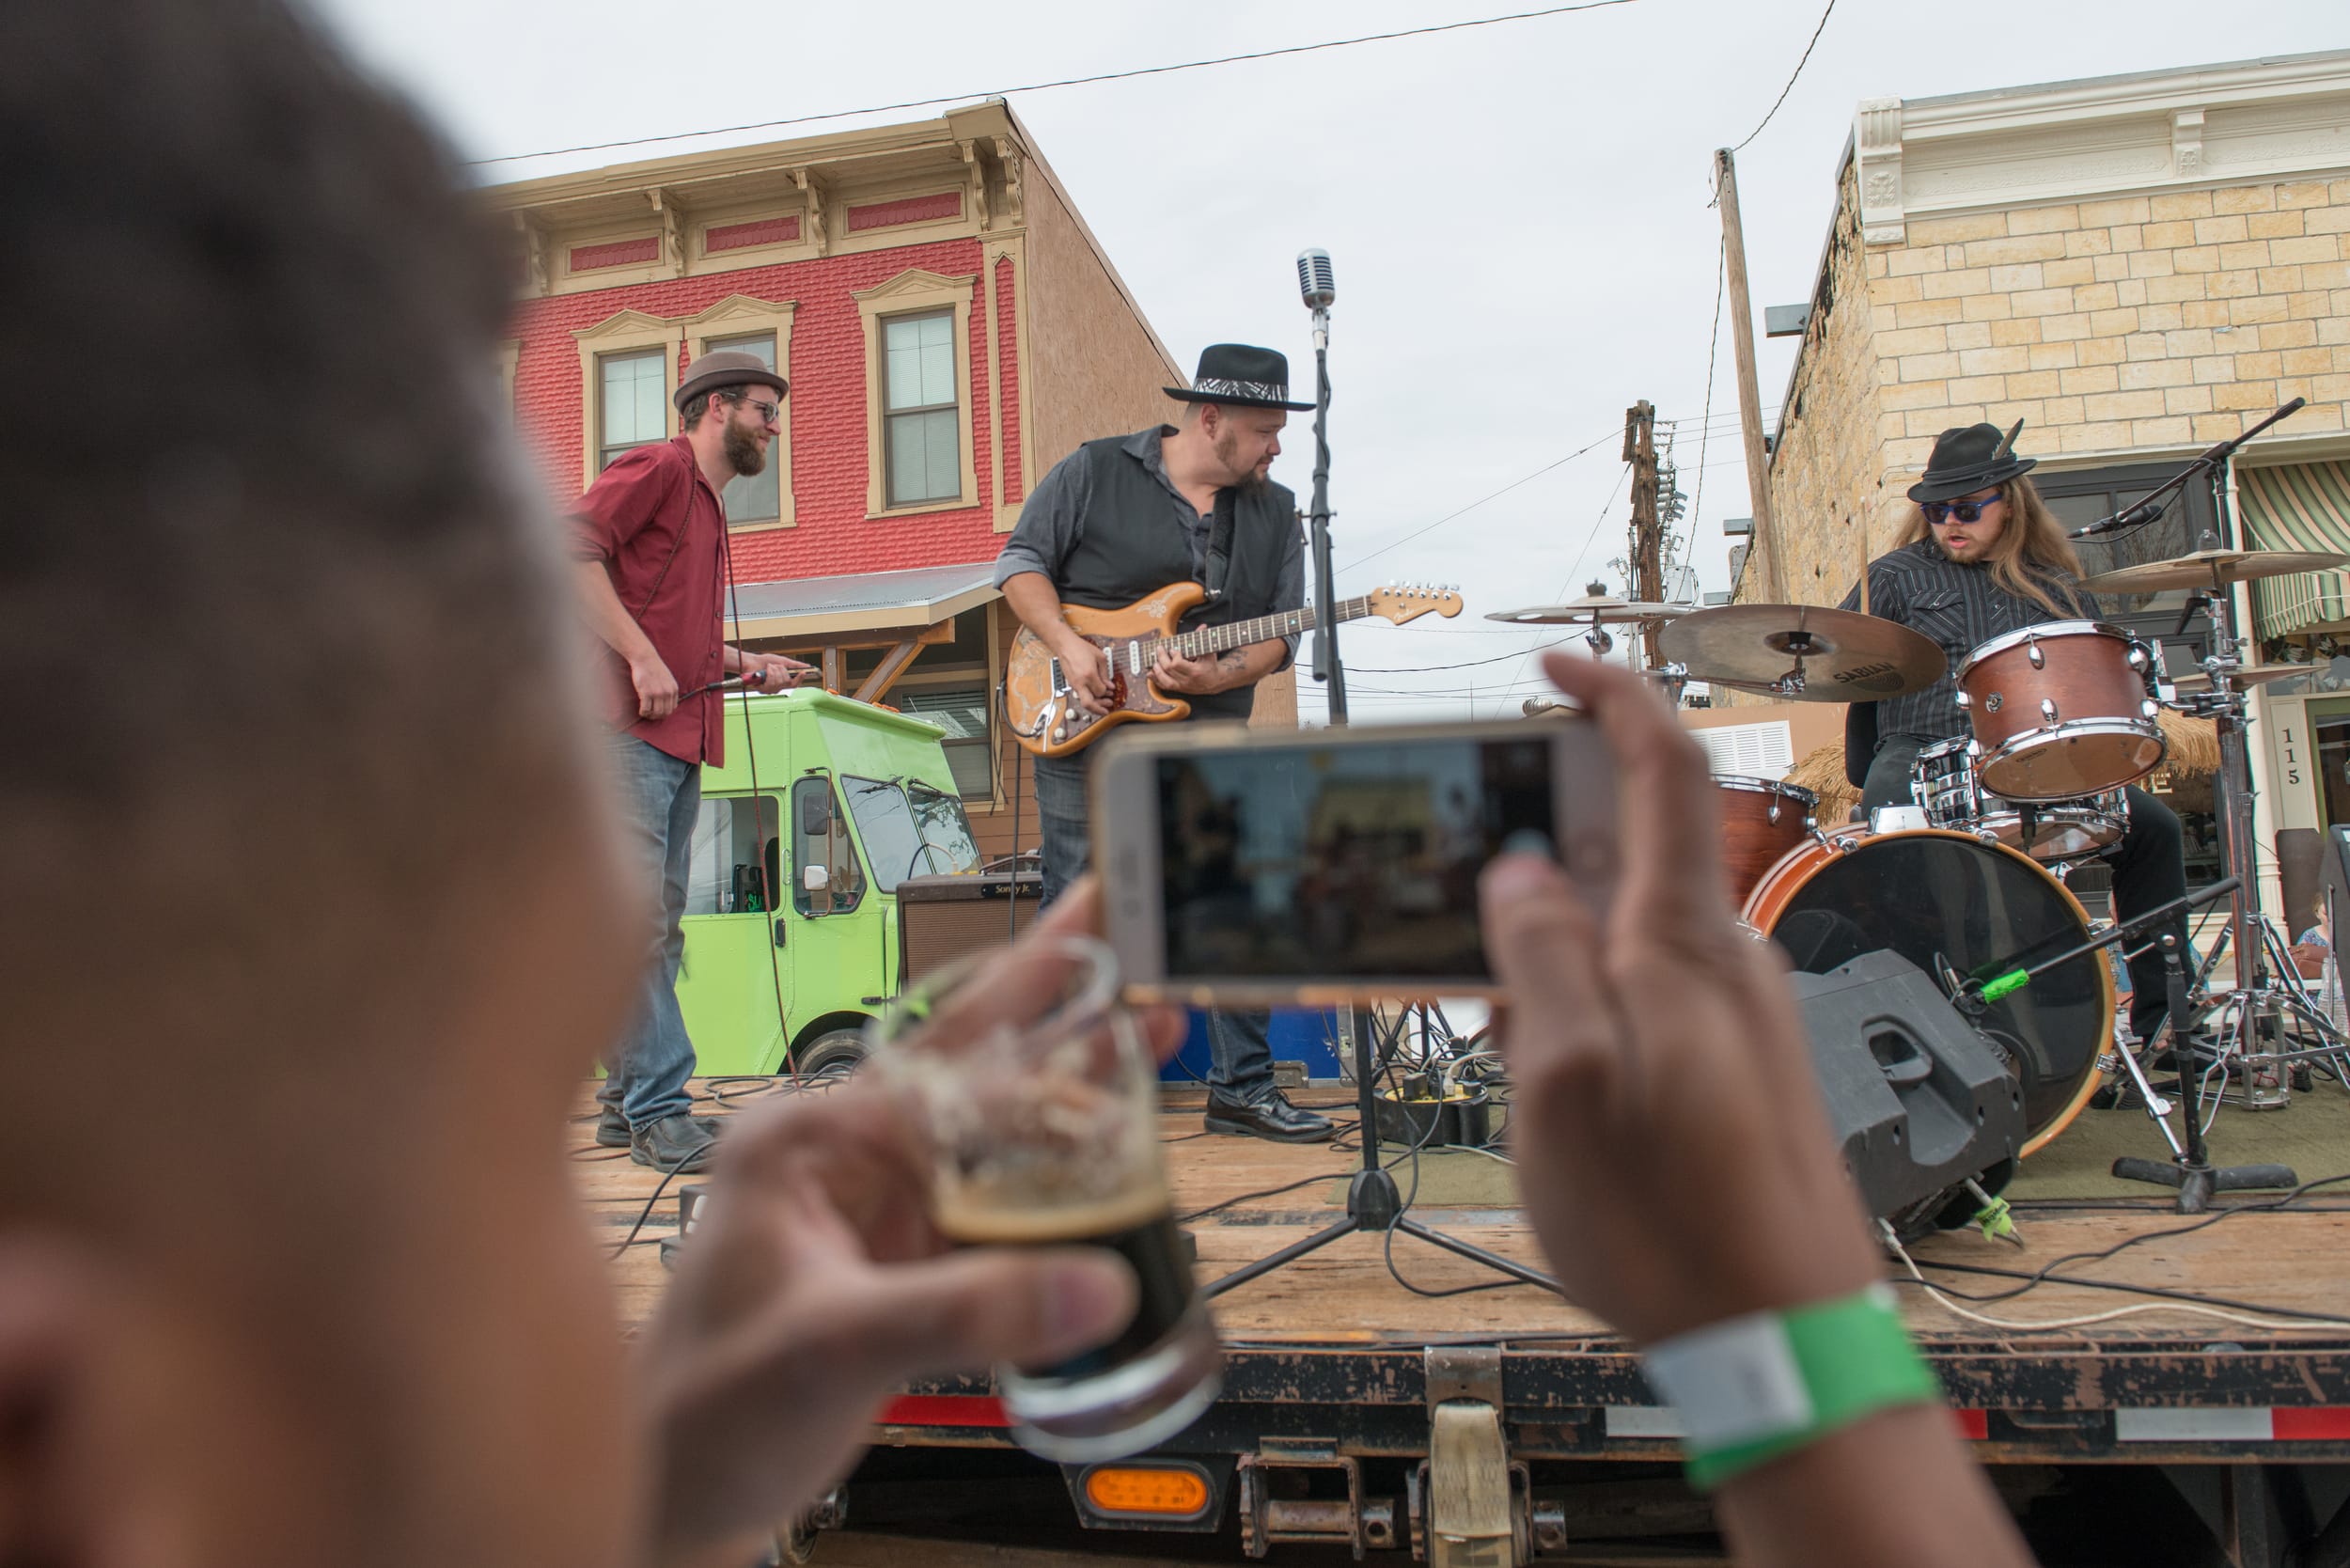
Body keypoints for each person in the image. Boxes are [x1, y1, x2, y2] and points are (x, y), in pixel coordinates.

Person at [0, 8, 2038, 1565]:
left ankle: (1224, 1080)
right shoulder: (999, 479)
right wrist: (1772, 1330)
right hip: (1069, 728)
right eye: (498, 1115)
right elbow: (1011, 585)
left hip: (1162, 741)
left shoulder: (1271, 526)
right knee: (1074, 917)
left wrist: (676, 1479)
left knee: (1180, 912)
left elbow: (1243, 651)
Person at [993, 347, 1335, 1143]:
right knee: (1078, 901)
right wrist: (1071, 648)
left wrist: (1221, 675)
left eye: (1280, 432)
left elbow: (1281, 634)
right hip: (1082, 720)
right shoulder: (1094, 470)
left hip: (1208, 733)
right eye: (1264, 431)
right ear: (1210, 420)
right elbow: (1020, 566)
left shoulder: (1278, 514)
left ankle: (1242, 1090)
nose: (1276, 447)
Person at [1839, 421, 2189, 1049]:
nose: (1950, 522)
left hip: (2038, 755)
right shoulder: (1893, 576)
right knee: (1888, 811)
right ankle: (1917, 1027)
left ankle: (2168, 1025)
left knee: (2156, 830)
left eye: (1967, 509)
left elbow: (2097, 677)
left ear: (2010, 503)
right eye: (1937, 510)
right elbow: (1833, 655)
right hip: (1921, 749)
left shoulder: (2055, 584)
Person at [571, 350, 814, 1173]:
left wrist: (748, 662)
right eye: (763, 412)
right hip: (623, 733)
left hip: (677, 741)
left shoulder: (706, 503)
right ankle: (659, 1111)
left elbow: (675, 629)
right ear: (716, 408)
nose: (774, 429)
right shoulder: (658, 469)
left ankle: (623, 1105)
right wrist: (640, 660)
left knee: (658, 926)